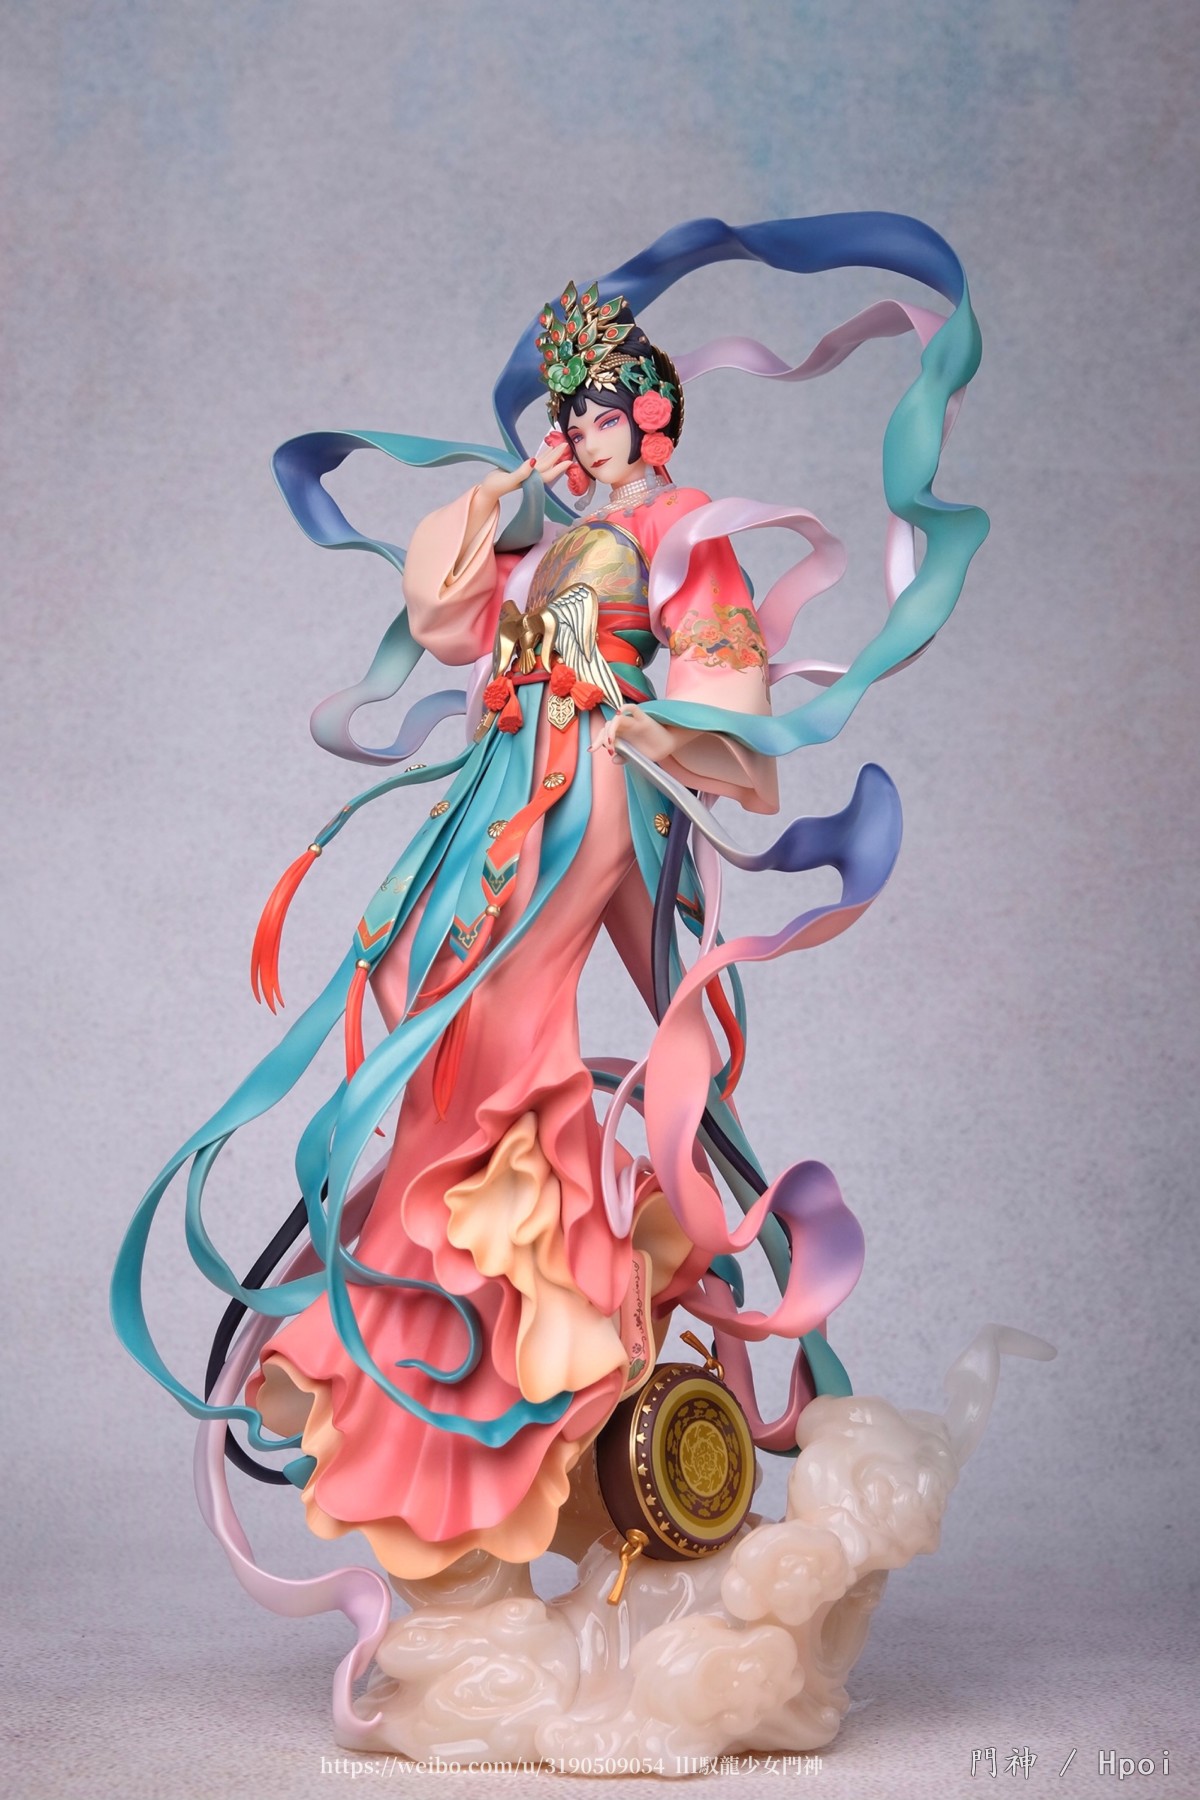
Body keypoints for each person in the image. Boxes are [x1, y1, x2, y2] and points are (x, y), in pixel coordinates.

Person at [113, 213, 988, 1597]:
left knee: (503, 1021)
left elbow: (722, 670)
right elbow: (451, 618)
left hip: (595, 787)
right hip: (501, 787)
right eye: (567, 418)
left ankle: (541, 1305)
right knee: (424, 1002)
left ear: (650, 420)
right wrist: (503, 499)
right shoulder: (556, 536)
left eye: (596, 416)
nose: (577, 435)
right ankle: (472, 1325)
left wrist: (654, 723)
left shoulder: (684, 529)